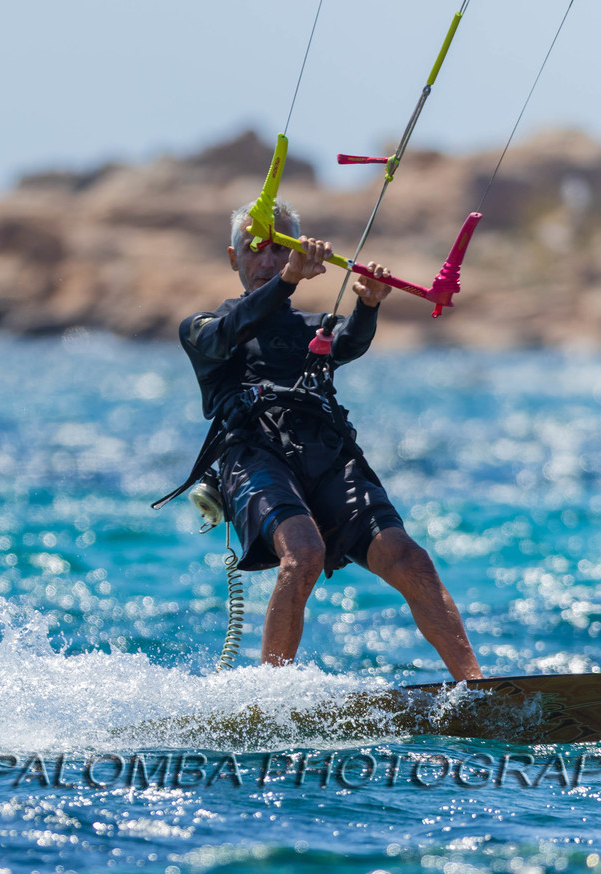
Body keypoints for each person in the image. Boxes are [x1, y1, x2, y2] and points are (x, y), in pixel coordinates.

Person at [167, 201, 482, 679]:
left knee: (409, 557)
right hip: (255, 458)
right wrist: (288, 279)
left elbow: (348, 343)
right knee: (304, 552)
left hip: (329, 457)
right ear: (234, 258)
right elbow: (229, 333)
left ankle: (477, 687)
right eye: (254, 249)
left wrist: (369, 304)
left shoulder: (313, 328)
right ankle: (271, 696)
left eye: (280, 249)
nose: (267, 260)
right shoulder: (203, 327)